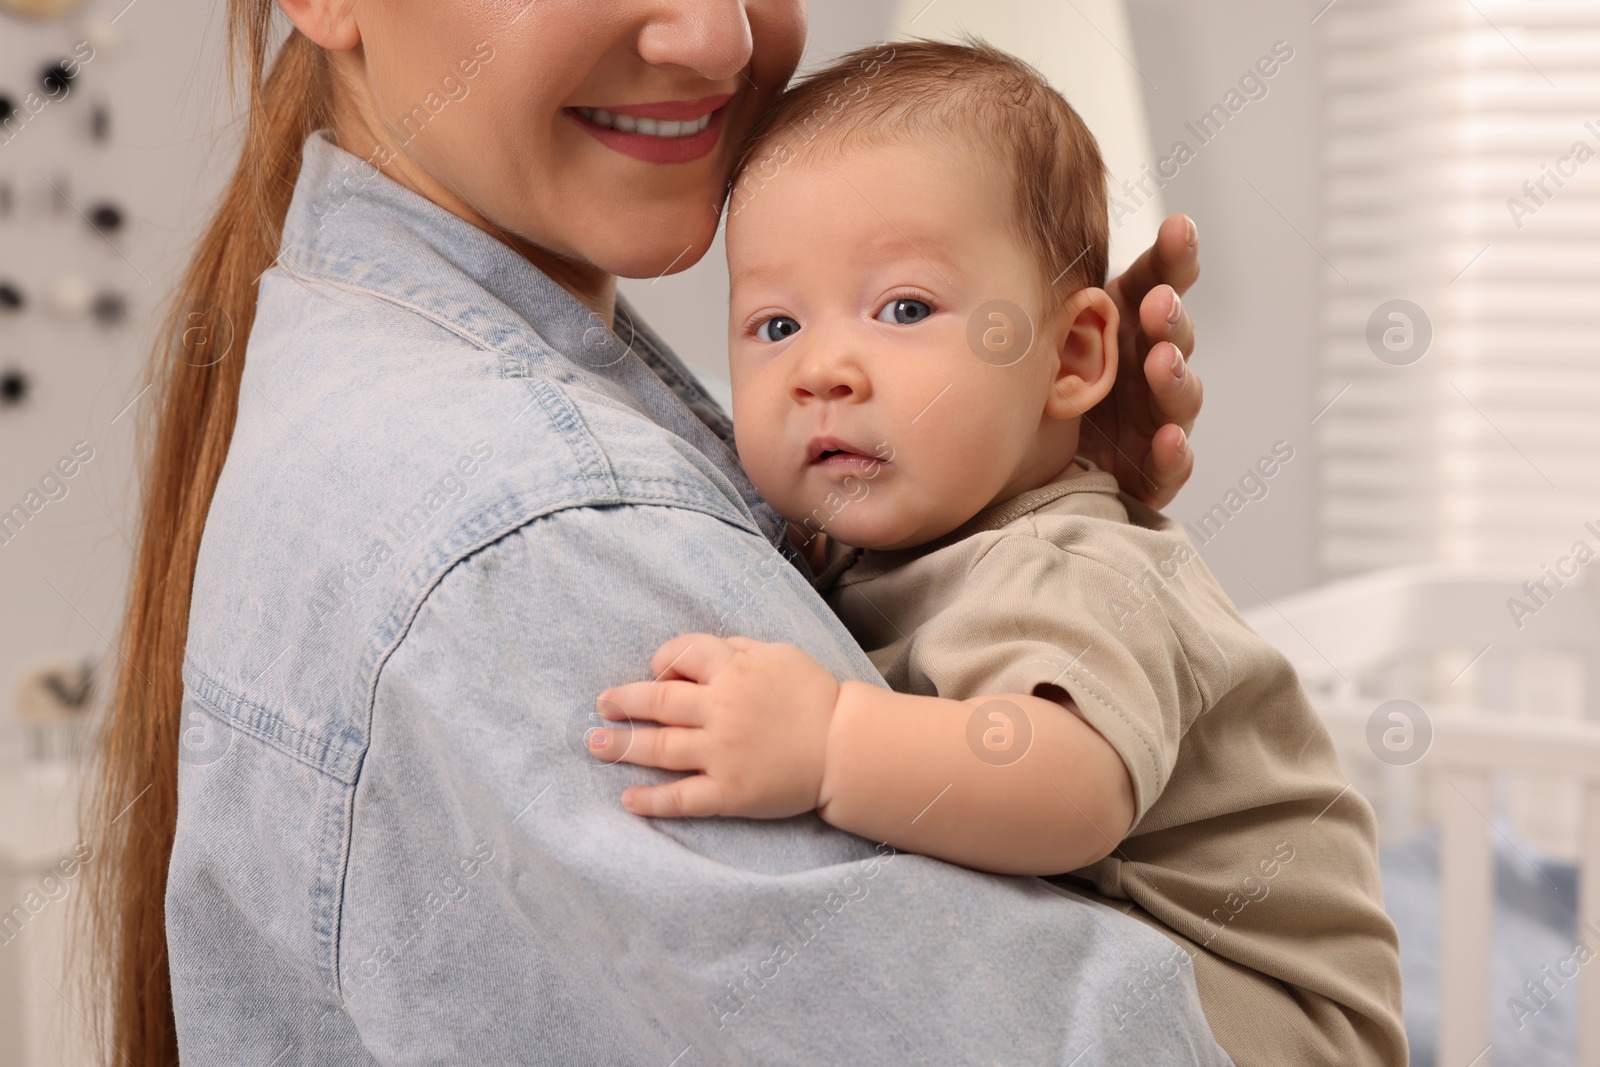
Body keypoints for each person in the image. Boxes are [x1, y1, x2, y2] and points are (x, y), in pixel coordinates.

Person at [85, 3, 1218, 1064]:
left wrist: (1007, 509)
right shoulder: (538, 540)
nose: (715, 38)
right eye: (778, 324)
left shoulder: (393, 387)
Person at [589, 42, 1406, 1066]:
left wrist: (830, 738)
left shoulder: (1069, 564)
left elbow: (1068, 788)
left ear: (1071, 356)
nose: (821, 369)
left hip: (1258, 1007)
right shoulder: (864, 545)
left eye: (903, 308)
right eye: (774, 322)